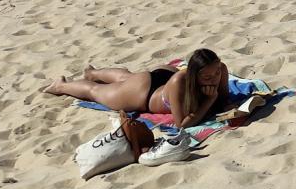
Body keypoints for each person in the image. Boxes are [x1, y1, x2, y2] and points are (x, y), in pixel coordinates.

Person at [43, 48, 229, 129]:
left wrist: (217, 98)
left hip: (161, 76)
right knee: (96, 92)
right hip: (144, 95)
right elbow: (182, 124)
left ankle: (94, 73)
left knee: (126, 77)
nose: (213, 79)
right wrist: (209, 100)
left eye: (216, 74)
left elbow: (224, 99)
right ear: (193, 74)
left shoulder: (220, 69)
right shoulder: (180, 82)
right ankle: (61, 85)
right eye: (206, 77)